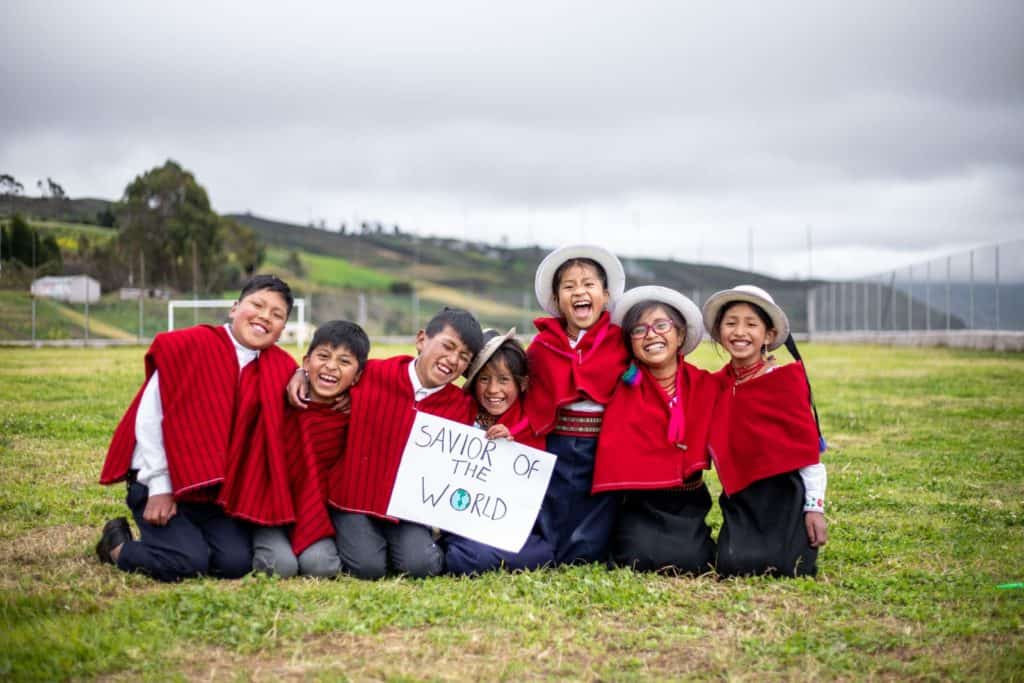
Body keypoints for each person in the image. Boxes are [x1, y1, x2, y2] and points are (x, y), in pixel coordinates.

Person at [96, 275, 298, 582]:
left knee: (235, 564)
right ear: (234, 308)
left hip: (212, 495)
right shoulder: (190, 345)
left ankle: (188, 538)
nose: (264, 317)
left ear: (282, 330)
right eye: (257, 305)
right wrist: (160, 487)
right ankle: (116, 546)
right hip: (162, 483)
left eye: (277, 314)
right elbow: (150, 417)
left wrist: (302, 377)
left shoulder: (280, 367)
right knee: (188, 563)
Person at [288, 307, 482, 579]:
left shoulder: (461, 407)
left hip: (408, 510)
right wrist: (301, 373)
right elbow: (330, 374)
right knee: (367, 568)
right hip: (353, 499)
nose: (452, 360)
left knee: (421, 566)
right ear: (422, 339)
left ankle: (411, 547)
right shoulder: (371, 375)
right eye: (447, 346)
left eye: (464, 357)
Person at [592, 286, 722, 574]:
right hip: (640, 502)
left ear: (680, 335)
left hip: (686, 500)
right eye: (639, 330)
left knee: (693, 562)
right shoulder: (623, 384)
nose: (651, 335)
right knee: (638, 558)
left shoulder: (705, 385)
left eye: (661, 325)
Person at [701, 285, 828, 578]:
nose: (739, 332)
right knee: (732, 566)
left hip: (784, 497)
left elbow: (808, 454)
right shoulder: (718, 385)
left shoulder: (784, 383)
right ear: (720, 332)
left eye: (751, 324)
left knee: (789, 568)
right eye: (731, 323)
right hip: (741, 500)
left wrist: (814, 508)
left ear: (768, 336)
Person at [524, 245, 630, 565]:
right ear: (557, 300)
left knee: (599, 506)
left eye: (588, 284)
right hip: (555, 443)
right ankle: (549, 548)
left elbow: (636, 380)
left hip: (603, 445)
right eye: (569, 286)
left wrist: (631, 381)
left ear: (606, 295)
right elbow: (530, 393)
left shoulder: (620, 343)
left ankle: (589, 552)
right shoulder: (542, 346)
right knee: (553, 503)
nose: (579, 292)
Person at [252, 320, 370, 578]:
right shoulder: (280, 399)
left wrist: (357, 397)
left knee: (321, 567)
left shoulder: (354, 416)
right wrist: (296, 373)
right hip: (269, 510)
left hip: (316, 515)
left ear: (358, 376)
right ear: (307, 362)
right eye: (323, 356)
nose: (331, 367)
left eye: (344, 362)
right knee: (280, 567)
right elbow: (263, 357)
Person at [442, 328, 554, 575]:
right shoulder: (461, 412)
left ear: (522, 383)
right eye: (484, 379)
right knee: (464, 557)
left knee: (544, 554)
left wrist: (512, 443)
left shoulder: (528, 421)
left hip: (509, 524)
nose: (493, 390)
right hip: (462, 519)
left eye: (504, 380)